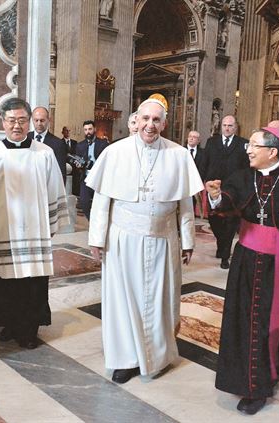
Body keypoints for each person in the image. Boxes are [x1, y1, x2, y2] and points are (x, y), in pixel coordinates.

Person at [207, 127, 279, 415]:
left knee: (273, 325)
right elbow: (228, 201)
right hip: (246, 261)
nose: (247, 149)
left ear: (272, 151)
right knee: (244, 322)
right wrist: (214, 197)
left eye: (253, 145)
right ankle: (251, 385)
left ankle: (265, 378)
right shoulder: (242, 176)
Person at [86, 97, 204, 384]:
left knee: (161, 300)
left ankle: (159, 356)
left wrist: (187, 240)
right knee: (124, 301)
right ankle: (126, 359)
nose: (150, 125)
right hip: (123, 239)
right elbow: (101, 201)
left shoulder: (178, 155)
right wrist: (96, 239)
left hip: (164, 239)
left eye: (156, 120)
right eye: (145, 119)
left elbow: (185, 204)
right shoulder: (115, 153)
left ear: (164, 124)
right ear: (136, 121)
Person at [0, 98, 69, 349]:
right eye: (12, 120)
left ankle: (29, 330)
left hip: (35, 229)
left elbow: (55, 188)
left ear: (30, 122)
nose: (17, 126)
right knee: (5, 281)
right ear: (3, 122)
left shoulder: (44, 154)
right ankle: (9, 324)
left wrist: (52, 223)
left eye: (23, 120)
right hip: (3, 228)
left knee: (31, 282)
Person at [201, 115, 249, 268]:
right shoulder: (211, 142)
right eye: (224, 125)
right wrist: (203, 181)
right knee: (214, 221)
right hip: (213, 187)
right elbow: (204, 163)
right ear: (220, 126)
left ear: (235, 127)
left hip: (233, 189)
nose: (227, 128)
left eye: (230, 125)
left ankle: (225, 256)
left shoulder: (243, 144)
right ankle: (221, 245)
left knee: (230, 222)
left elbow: (246, 167)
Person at [75, 120, 107, 219]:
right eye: (85, 130)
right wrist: (78, 165)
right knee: (84, 202)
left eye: (90, 129)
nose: (88, 132)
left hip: (99, 178)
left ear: (95, 129)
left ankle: (98, 222)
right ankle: (92, 221)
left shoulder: (103, 144)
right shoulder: (80, 145)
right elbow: (77, 160)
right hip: (86, 177)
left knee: (101, 204)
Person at [30, 106, 68, 183]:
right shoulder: (25, 139)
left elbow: (61, 173)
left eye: (42, 120)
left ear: (48, 120)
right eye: (36, 120)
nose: (39, 123)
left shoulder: (58, 144)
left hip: (47, 187)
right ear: (32, 120)